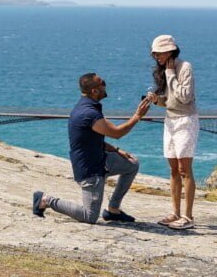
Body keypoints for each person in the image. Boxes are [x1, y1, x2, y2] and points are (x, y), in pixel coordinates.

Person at [32, 73, 150, 224]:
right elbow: (117, 132)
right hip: (90, 169)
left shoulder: (87, 107)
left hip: (101, 159)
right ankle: (45, 200)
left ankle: (113, 210)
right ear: (95, 90)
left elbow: (91, 139)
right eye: (103, 83)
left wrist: (115, 150)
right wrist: (138, 116)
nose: (106, 85)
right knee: (90, 216)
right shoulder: (89, 113)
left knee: (131, 164)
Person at [146, 34, 199, 230]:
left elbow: (185, 97)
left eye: (159, 53)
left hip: (186, 120)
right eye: (155, 54)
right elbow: (170, 100)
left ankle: (188, 216)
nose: (157, 57)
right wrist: (156, 100)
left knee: (185, 169)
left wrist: (170, 75)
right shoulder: (165, 70)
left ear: (170, 50)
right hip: (170, 120)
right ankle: (175, 212)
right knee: (173, 169)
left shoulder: (185, 67)